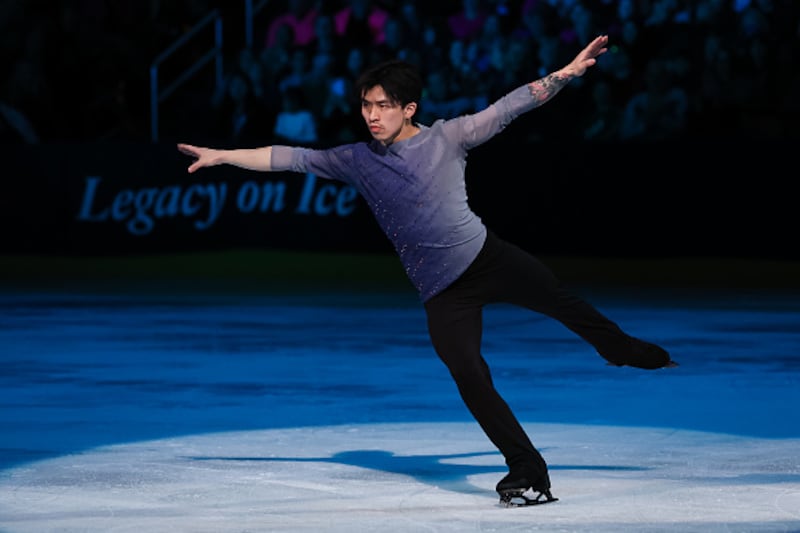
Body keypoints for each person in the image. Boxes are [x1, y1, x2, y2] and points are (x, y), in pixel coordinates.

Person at [177, 35, 677, 507]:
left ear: (408, 109)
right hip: (442, 291)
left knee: (564, 303)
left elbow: (509, 107)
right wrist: (223, 155)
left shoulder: (448, 137)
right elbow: (288, 157)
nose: (371, 116)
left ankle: (621, 349)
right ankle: (527, 469)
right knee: (468, 374)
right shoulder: (356, 159)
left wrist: (566, 73)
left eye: (382, 106)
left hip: (488, 257)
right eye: (366, 106)